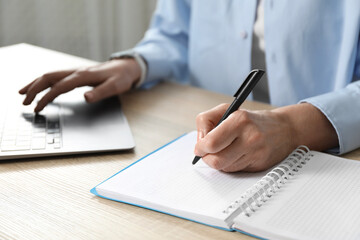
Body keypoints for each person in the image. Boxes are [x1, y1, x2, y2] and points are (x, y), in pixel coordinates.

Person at [19, 0, 360, 172]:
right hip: (192, 130)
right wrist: (134, 65)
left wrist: (292, 127)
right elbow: (176, 34)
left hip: (331, 158)